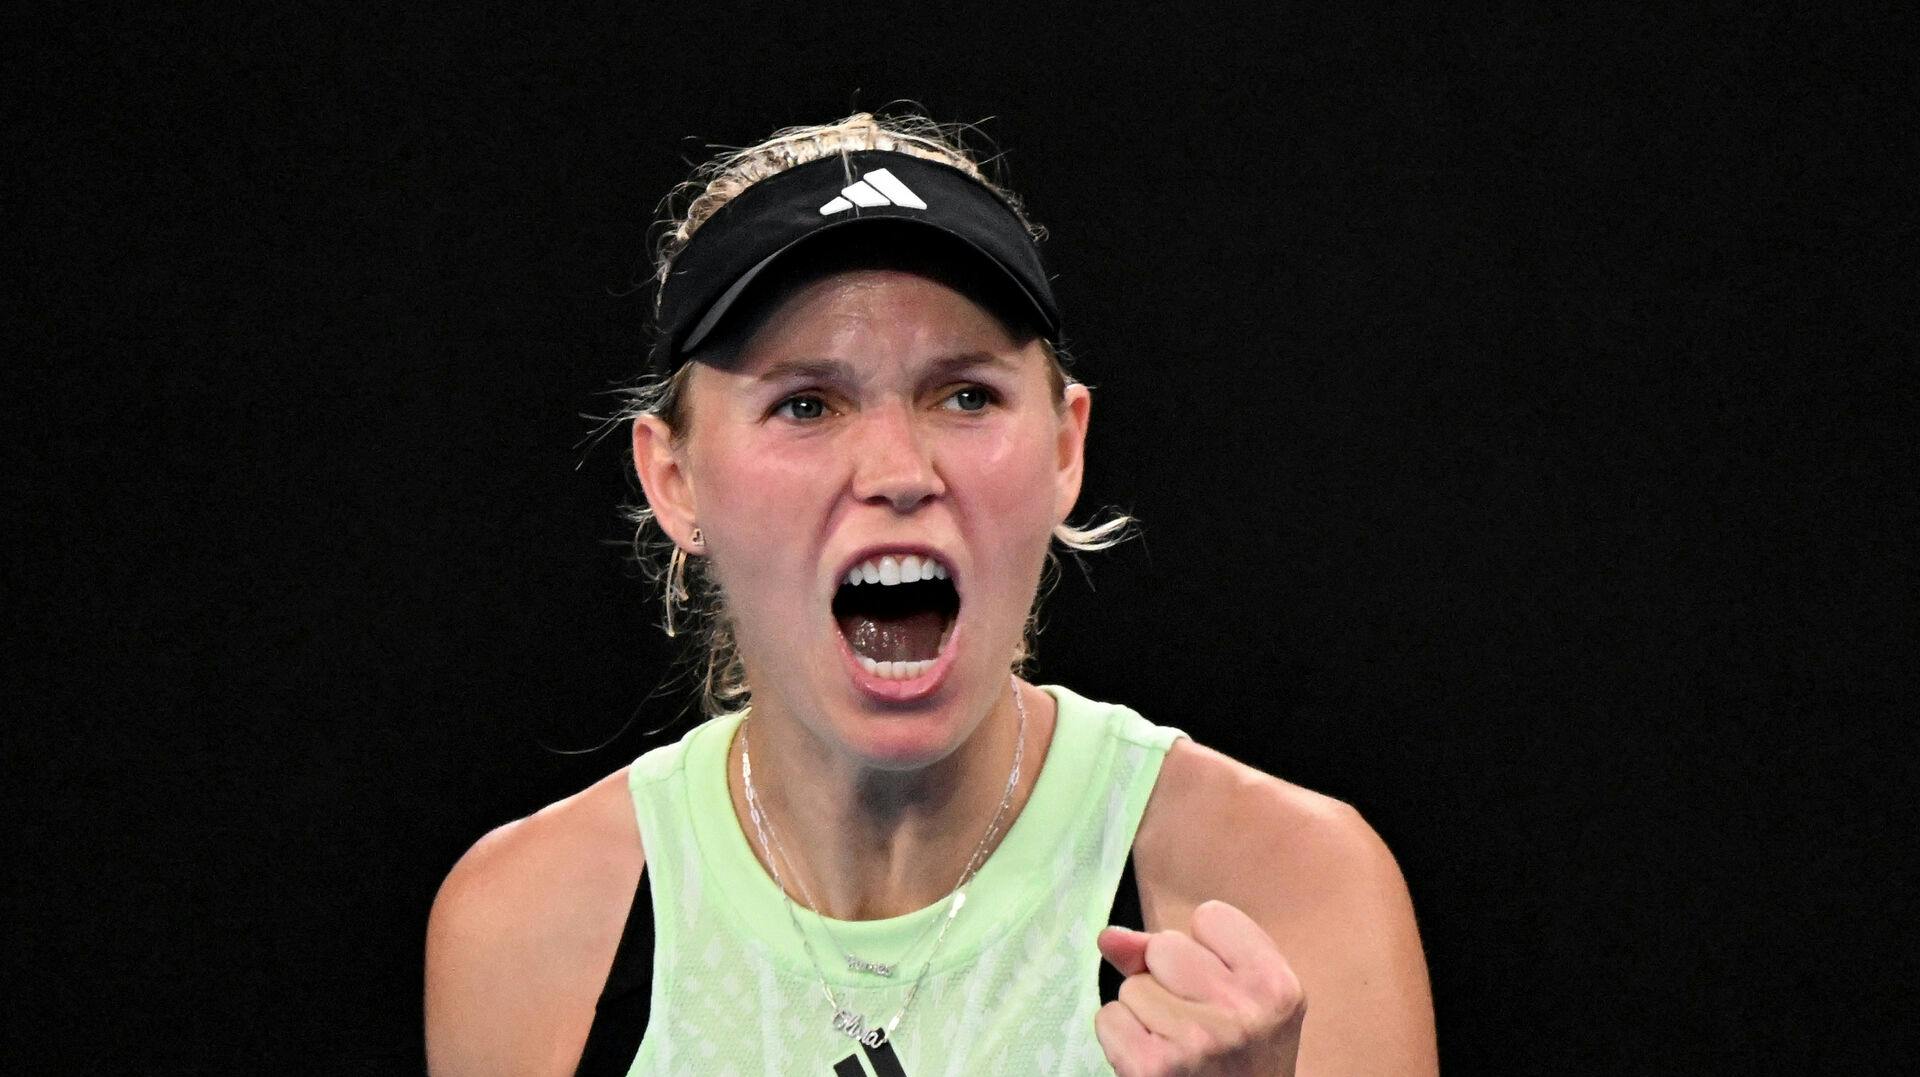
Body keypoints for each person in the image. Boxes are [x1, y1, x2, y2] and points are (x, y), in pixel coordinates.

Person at [425, 113, 1437, 1076]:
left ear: (1064, 449)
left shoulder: (1295, 890)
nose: (898, 470)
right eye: (806, 403)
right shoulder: (523, 923)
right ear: (675, 479)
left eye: (966, 395)